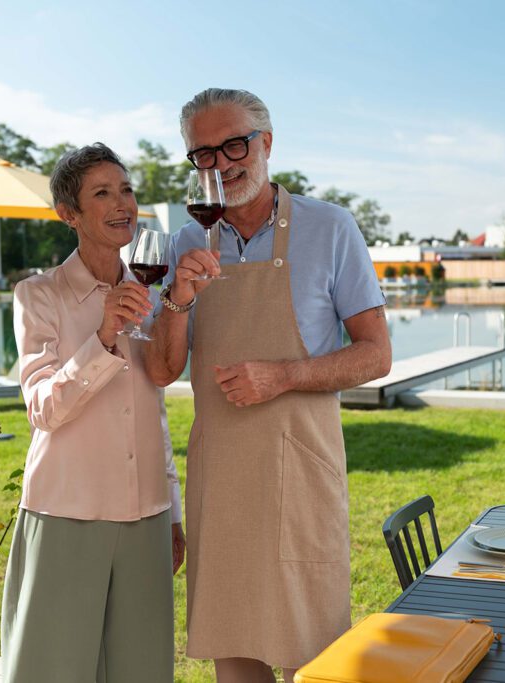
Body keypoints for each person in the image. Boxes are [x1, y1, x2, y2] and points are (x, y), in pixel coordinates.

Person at [144, 88, 392, 683]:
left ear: (267, 143)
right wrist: (177, 298)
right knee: (235, 657)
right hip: (222, 477)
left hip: (299, 475)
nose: (222, 164)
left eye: (235, 144)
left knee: (313, 658)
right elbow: (160, 370)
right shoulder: (186, 243)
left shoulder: (330, 228)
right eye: (202, 154)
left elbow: (377, 355)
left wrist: (281, 377)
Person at [1, 143, 185, 683]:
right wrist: (103, 338)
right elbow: (42, 409)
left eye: (125, 188)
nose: (121, 202)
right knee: (51, 672)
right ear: (70, 214)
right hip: (67, 512)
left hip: (146, 516)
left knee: (143, 673)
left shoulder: (150, 292)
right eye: (101, 192)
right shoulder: (38, 296)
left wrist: (172, 510)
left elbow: (154, 412)